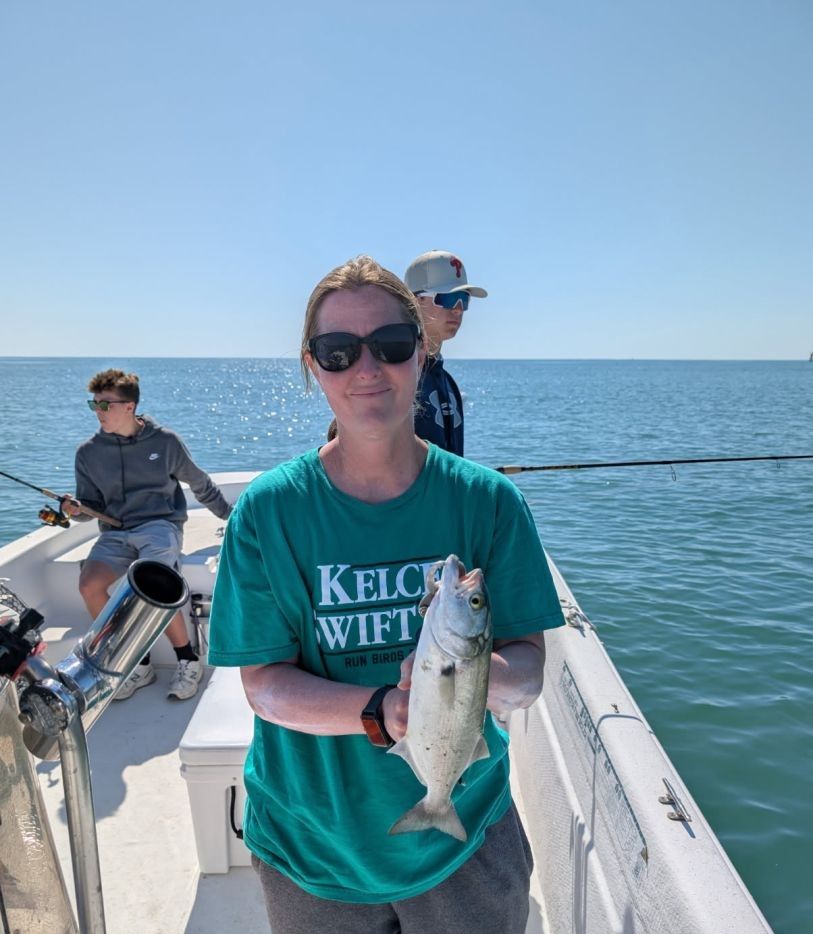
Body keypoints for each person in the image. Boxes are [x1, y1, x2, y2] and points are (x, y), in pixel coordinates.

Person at [208, 256, 564, 933]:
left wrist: (462, 681)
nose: (366, 368)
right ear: (312, 367)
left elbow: (527, 674)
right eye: (337, 351)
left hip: (466, 841)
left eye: (392, 345)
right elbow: (264, 687)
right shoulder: (267, 513)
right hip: (311, 847)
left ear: (421, 352)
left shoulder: (489, 502)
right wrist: (384, 710)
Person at [61, 369, 232, 701]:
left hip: (160, 526)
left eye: (105, 405)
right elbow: (90, 506)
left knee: (153, 582)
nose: (98, 412)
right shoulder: (88, 452)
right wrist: (75, 510)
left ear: (129, 406)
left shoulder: (165, 442)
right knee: (89, 585)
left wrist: (231, 516)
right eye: (93, 404)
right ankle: (139, 663)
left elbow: (199, 483)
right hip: (115, 532)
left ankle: (187, 659)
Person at [404, 249, 487, 455]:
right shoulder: (395, 378)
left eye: (463, 299)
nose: (458, 309)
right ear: (414, 302)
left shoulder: (448, 383)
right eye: (448, 299)